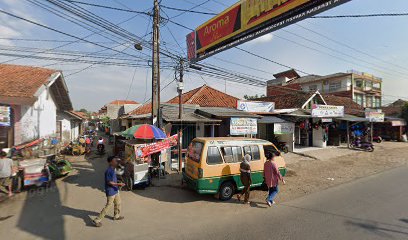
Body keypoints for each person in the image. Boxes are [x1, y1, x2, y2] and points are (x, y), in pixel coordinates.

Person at [93, 156, 125, 227]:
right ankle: (97, 220)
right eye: (114, 161)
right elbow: (109, 182)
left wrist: (118, 184)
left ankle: (116, 216)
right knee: (108, 206)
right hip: (110, 191)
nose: (116, 162)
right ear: (110, 162)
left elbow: (121, 165)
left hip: (115, 189)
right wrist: (118, 184)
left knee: (118, 202)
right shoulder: (108, 171)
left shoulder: (114, 168)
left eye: (116, 161)